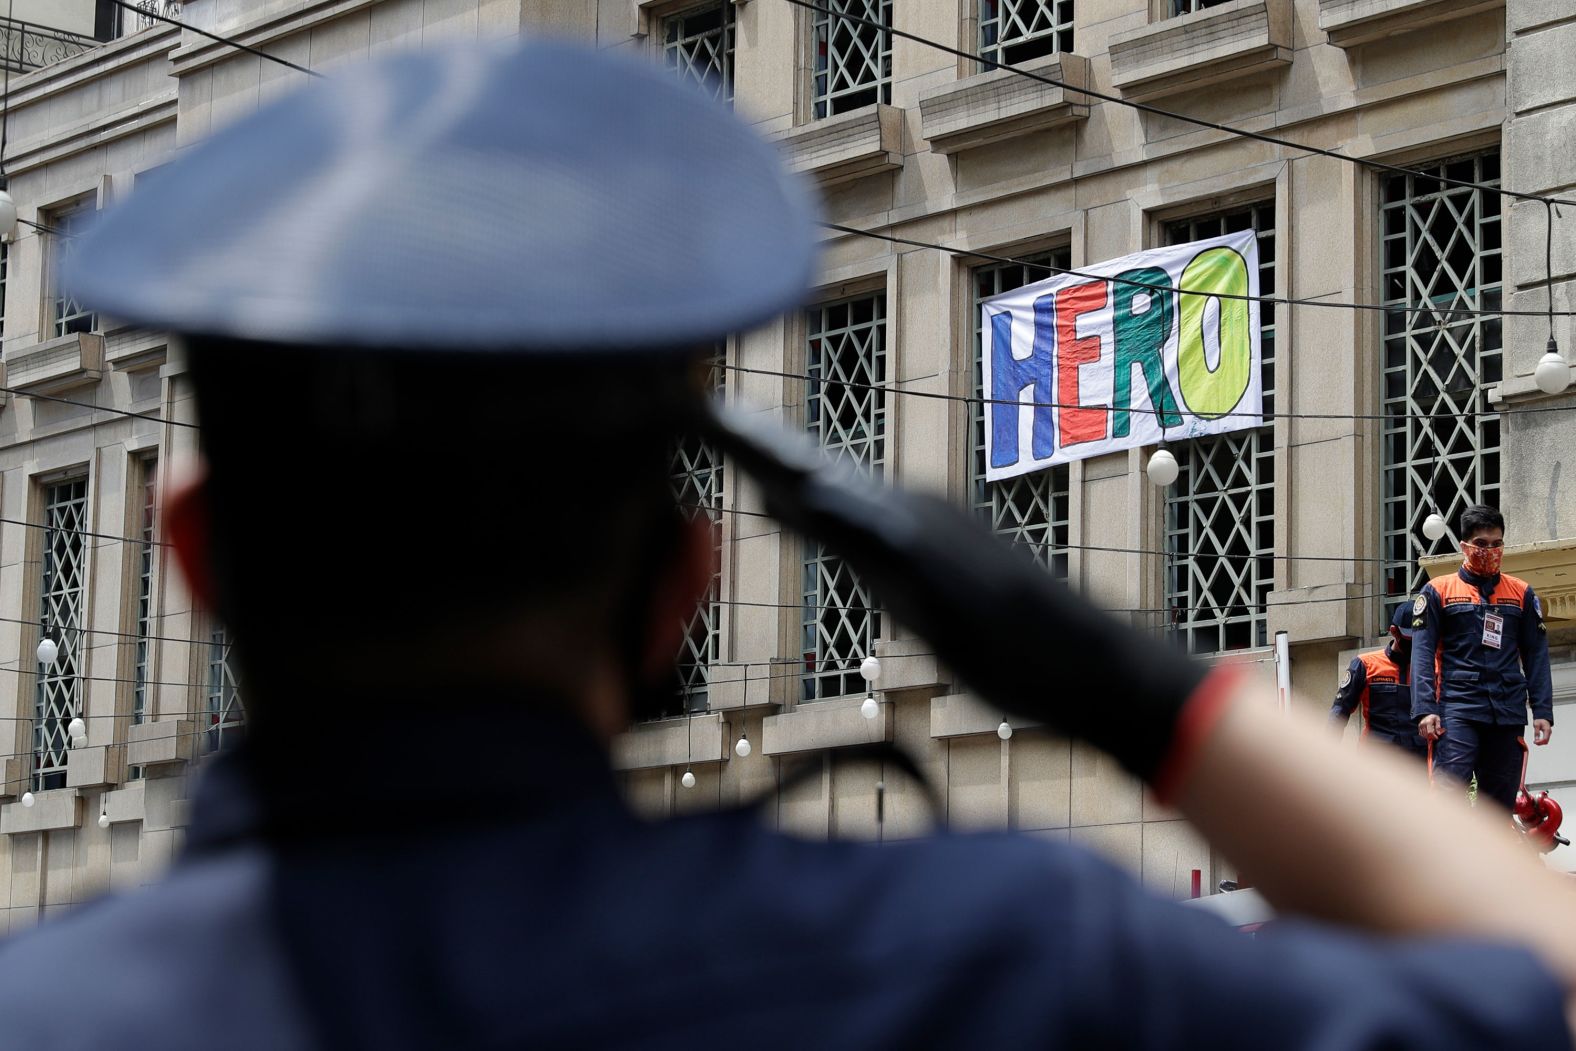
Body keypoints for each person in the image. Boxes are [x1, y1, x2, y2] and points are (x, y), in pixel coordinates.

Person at [1, 40, 1575, 1050]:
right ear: (680, 579)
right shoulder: (991, 968)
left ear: (196, 557)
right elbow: (1535, 962)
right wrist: (1126, 683)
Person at [1411, 505, 1555, 809]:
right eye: (1481, 544)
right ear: (1464, 546)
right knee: (1448, 795)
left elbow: (1536, 653)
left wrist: (1542, 709)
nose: (1489, 550)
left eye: (1496, 543)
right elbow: (1422, 653)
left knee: (1499, 807)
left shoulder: (1521, 593)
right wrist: (1425, 709)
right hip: (1458, 707)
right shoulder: (1438, 590)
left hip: (1507, 711)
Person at [1329, 603, 1426, 760]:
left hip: (1417, 763)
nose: (1416, 644)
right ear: (1394, 631)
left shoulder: (1431, 668)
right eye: (1410, 639)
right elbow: (1339, 711)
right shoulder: (1365, 664)